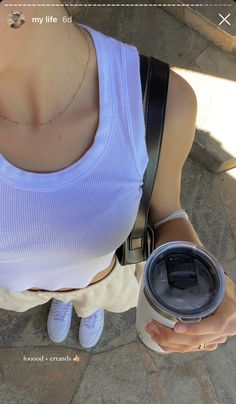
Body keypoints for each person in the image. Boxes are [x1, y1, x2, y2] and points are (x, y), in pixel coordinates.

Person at [0, 1, 235, 353]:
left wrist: (207, 282)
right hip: (12, 290)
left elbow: (167, 214)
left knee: (91, 298)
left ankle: (84, 305)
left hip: (100, 280)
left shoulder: (157, 102)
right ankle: (63, 300)